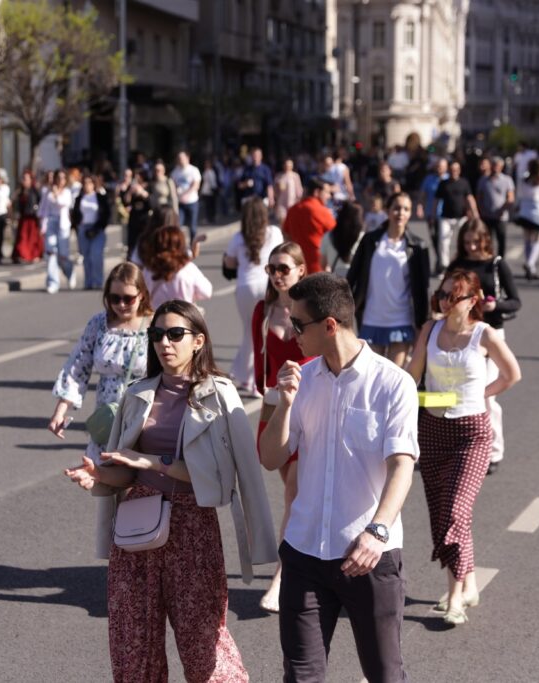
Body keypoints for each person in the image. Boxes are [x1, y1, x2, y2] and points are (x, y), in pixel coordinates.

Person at [63, 300, 277, 682]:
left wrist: (154, 463)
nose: (165, 343)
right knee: (133, 648)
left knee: (204, 646)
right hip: (137, 529)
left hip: (192, 529)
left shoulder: (219, 394)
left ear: (198, 341)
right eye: (157, 334)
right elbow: (126, 472)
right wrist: (100, 476)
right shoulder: (137, 393)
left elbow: (225, 477)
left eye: (175, 334)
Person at [259, 272, 419, 682]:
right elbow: (270, 457)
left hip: (368, 555)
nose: (291, 333)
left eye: (299, 325)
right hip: (304, 551)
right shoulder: (303, 379)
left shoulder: (392, 384)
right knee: (301, 676)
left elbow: (402, 465)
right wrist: (284, 404)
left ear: (330, 325)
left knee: (384, 673)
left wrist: (377, 531)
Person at [406, 269, 521, 626]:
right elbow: (412, 375)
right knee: (444, 514)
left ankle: (455, 598)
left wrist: (482, 394)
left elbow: (512, 374)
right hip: (433, 430)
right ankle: (469, 584)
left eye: (452, 296)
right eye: (440, 295)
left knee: (455, 512)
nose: (444, 302)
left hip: (472, 433)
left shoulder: (484, 334)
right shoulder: (431, 329)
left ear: (472, 301)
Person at [251, 241, 314, 613]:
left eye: (284, 268)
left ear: (301, 270)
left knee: (293, 494)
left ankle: (281, 576)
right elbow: (260, 365)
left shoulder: (311, 309)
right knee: (298, 496)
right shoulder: (262, 310)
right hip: (275, 408)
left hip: (309, 407)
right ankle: (309, 561)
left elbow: (322, 355)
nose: (276, 275)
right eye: (271, 268)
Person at [50, 262, 153, 461]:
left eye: (128, 298)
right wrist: (60, 411)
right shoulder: (98, 324)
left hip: (143, 420)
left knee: (138, 477)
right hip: (108, 420)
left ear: (141, 295)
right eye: (115, 298)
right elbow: (77, 367)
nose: (121, 304)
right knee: (102, 476)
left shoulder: (154, 325)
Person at [448, 220, 521, 475]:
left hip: (490, 335)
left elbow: (515, 302)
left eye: (476, 242)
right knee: (459, 393)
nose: (471, 247)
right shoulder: (457, 265)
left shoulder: (497, 265)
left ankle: (493, 451)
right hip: (460, 334)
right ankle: (462, 445)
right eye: (467, 242)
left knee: (487, 393)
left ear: (485, 240)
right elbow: (444, 294)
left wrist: (495, 306)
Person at [347, 192, 431, 367]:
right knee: (371, 374)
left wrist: (422, 324)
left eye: (406, 209)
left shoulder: (418, 246)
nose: (401, 213)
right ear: (387, 210)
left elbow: (423, 288)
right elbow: (352, 276)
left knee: (395, 375)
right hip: (371, 318)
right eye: (397, 208)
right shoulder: (370, 240)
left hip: (401, 320)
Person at [223, 197, 284, 394]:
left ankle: (244, 374)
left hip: (245, 287)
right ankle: (251, 377)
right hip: (267, 285)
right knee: (263, 334)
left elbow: (229, 263)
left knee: (249, 332)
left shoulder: (238, 238)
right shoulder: (274, 233)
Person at [142, 226, 212, 308]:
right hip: (183, 313)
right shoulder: (187, 269)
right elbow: (207, 292)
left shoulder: (148, 270)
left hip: (156, 314)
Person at [281, 178, 336, 274]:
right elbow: (336, 235)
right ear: (317, 192)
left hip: (297, 267)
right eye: (327, 192)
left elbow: (286, 235)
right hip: (318, 267)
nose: (329, 196)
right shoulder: (321, 211)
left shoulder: (292, 210)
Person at [435, 161, 478, 275]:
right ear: (448, 170)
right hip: (445, 217)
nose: (454, 172)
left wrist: (475, 214)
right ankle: (444, 265)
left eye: (456, 170)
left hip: (461, 217)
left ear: (459, 170)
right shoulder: (443, 183)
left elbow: (469, 198)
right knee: (443, 241)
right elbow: (436, 200)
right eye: (451, 170)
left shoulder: (464, 183)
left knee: (462, 241)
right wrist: (432, 215)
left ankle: (461, 264)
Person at [514, 158, 539, 280]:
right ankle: (530, 263)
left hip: (525, 211)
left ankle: (531, 267)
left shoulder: (524, 179)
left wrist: (517, 206)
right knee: (538, 239)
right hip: (537, 212)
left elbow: (519, 195)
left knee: (527, 238)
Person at [71, 175, 111, 290]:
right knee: (86, 257)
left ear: (94, 184)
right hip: (83, 228)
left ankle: (98, 281)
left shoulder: (99, 197)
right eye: (85, 183)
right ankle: (88, 282)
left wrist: (98, 227)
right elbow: (75, 214)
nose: (87, 185)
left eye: (89, 183)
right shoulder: (79, 198)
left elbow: (106, 213)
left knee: (96, 255)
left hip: (97, 229)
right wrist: (77, 225)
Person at [38, 169, 76, 294]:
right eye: (58, 177)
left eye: (63, 178)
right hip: (51, 223)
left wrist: (56, 194)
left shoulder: (67, 192)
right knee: (51, 253)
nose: (60, 180)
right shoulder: (47, 191)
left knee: (63, 256)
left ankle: (70, 272)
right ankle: (53, 282)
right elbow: (43, 209)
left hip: (63, 224)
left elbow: (63, 203)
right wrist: (42, 225)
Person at [476, 156, 515, 258]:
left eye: (497, 166)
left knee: (501, 239)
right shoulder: (483, 180)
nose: (495, 168)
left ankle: (501, 260)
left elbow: (510, 197)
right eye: (493, 165)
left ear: (501, 167)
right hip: (487, 215)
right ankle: (488, 258)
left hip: (501, 216)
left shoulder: (507, 180)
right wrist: (481, 210)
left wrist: (502, 209)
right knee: (487, 239)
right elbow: (479, 197)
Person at [320, 201, 364, 279]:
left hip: (336, 279)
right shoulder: (362, 237)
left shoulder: (328, 236)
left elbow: (323, 263)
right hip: (356, 280)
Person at [10, 170, 43, 264]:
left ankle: (34, 255)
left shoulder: (34, 191)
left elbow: (40, 202)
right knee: (22, 237)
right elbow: (16, 203)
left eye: (26, 179)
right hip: (23, 218)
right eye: (23, 179)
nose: (24, 181)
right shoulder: (20, 192)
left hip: (32, 218)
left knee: (33, 238)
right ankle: (22, 254)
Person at [171, 151, 201, 241]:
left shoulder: (193, 170)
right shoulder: (175, 172)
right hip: (180, 203)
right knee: (178, 225)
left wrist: (186, 194)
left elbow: (196, 185)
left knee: (192, 227)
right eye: (179, 159)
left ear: (187, 159)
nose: (180, 160)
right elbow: (172, 185)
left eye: (182, 158)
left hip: (192, 201)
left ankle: (193, 244)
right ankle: (180, 244)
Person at [274, 158, 304, 226]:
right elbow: (275, 190)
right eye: (286, 165)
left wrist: (299, 200)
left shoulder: (295, 176)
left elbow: (299, 190)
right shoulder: (279, 176)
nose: (288, 167)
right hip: (281, 202)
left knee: (292, 222)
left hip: (292, 202)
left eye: (289, 166)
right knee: (282, 222)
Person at [199, 158, 218, 224]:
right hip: (207, 191)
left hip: (209, 191)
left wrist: (213, 189)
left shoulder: (210, 172)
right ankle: (210, 218)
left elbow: (212, 182)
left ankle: (210, 218)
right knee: (209, 206)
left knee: (209, 206)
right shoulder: (207, 172)